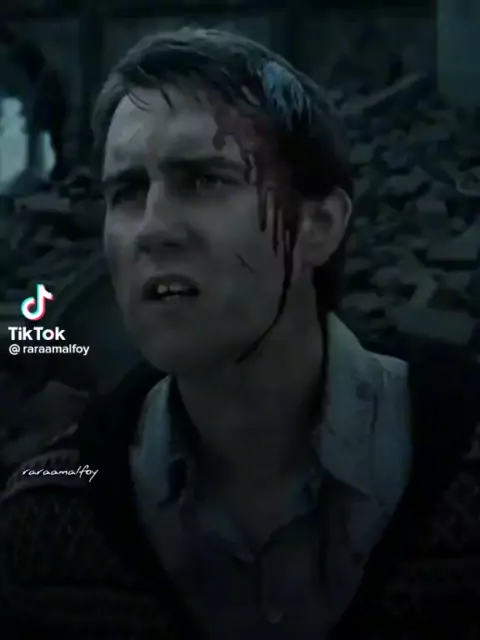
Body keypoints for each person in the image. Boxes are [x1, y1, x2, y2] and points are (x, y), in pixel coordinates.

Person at [0, 27, 479, 640]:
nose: (152, 229)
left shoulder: (462, 470)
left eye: (203, 180)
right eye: (128, 191)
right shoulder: (49, 528)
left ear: (319, 225)